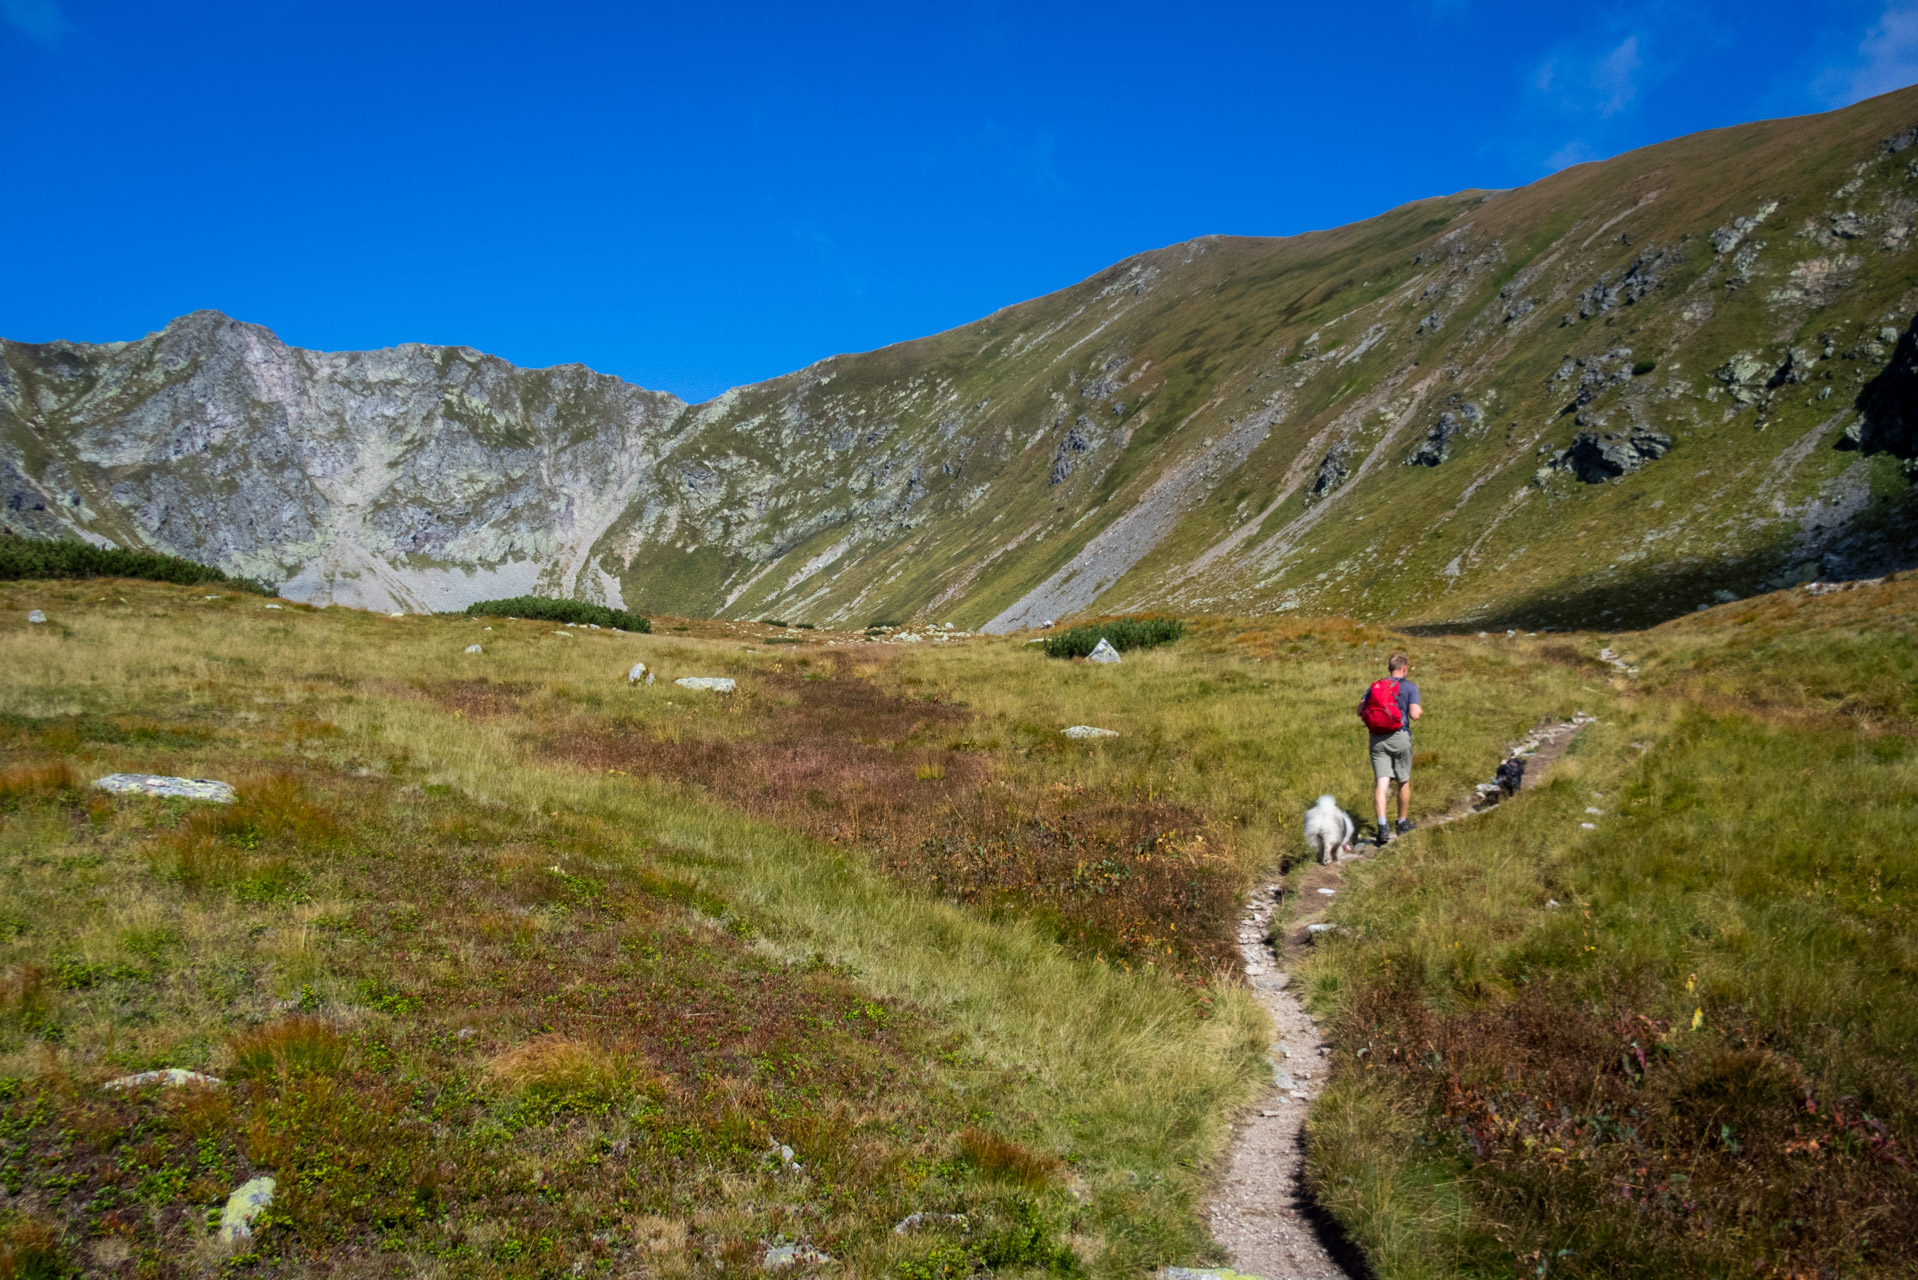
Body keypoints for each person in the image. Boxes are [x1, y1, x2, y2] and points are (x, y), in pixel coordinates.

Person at [1357, 652, 1422, 846]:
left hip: (1377, 738)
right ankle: (1402, 823)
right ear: (1405, 669)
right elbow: (1415, 714)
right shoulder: (1410, 687)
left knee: (1381, 783)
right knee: (1403, 780)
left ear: (1389, 668)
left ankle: (1382, 827)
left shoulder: (1375, 686)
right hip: (1400, 736)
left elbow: (1360, 710)